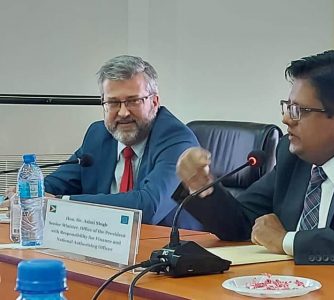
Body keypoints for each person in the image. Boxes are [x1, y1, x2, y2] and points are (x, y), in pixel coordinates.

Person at [175, 50, 334, 265]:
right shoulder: (294, 156)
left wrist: (288, 241)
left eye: (299, 111)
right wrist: (202, 187)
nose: (286, 119)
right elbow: (241, 224)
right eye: (287, 106)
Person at [3, 55, 202, 229]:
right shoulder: (98, 134)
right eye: (114, 103)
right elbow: (60, 183)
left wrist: (61, 205)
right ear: (103, 103)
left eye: (133, 101)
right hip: (106, 244)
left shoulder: (177, 141)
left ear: (154, 102)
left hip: (170, 253)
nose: (123, 113)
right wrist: (25, 195)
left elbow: (148, 207)